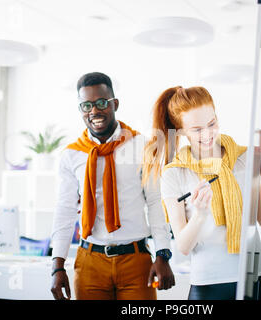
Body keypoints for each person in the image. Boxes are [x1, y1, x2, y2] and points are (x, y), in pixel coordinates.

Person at [142, 86, 261, 300]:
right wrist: (200, 214)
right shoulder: (174, 173)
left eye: (212, 124)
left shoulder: (244, 158)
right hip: (209, 284)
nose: (207, 134)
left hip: (255, 277)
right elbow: (184, 247)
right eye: (196, 129)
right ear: (182, 130)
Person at [50, 72, 175, 300]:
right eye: (86, 105)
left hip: (136, 261)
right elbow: (65, 211)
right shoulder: (72, 155)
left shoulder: (142, 146)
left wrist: (163, 255)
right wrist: (57, 266)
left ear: (114, 104)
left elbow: (156, 202)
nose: (94, 111)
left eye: (101, 103)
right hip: (90, 262)